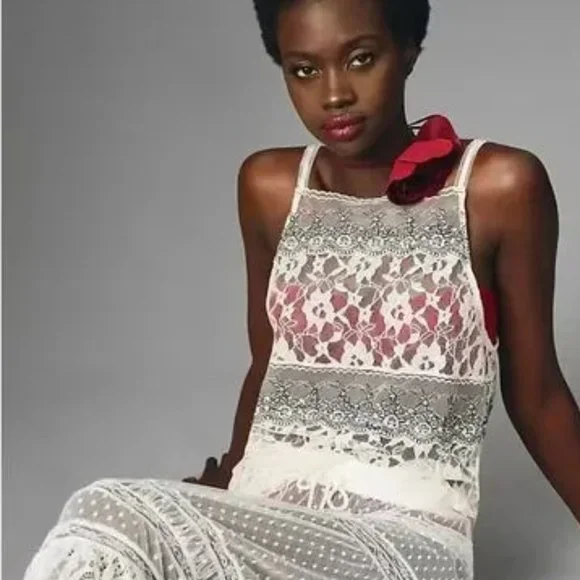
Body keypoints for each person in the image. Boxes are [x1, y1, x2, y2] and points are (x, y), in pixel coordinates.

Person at [24, 1, 580, 579]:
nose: (333, 94)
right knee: (110, 544)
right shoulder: (268, 186)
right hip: (263, 515)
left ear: (408, 50)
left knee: (106, 506)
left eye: (360, 59)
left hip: (402, 539)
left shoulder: (499, 188)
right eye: (304, 70)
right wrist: (225, 482)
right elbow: (269, 364)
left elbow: (538, 397)